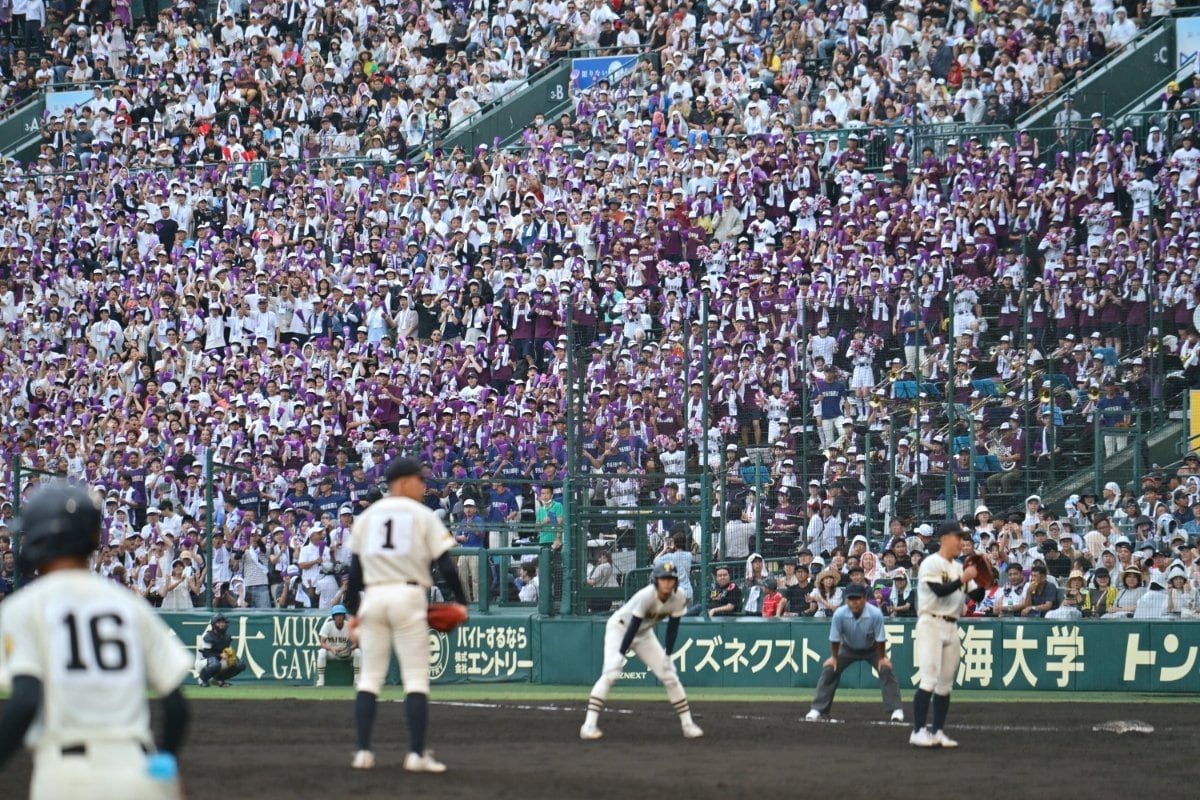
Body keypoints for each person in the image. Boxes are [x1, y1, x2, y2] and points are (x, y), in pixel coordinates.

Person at [0, 482, 191, 799]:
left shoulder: (24, 607)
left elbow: (26, 702)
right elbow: (176, 705)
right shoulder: (128, 604)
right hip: (139, 771)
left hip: (68, 775)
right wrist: (166, 764)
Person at [345, 457, 468, 772]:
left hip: (373, 597)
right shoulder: (422, 514)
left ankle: (363, 753)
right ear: (402, 482)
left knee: (369, 678)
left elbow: (354, 574)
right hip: (408, 596)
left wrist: (353, 612)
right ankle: (415, 755)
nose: (423, 485)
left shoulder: (367, 517)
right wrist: (461, 601)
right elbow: (445, 566)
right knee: (415, 679)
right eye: (419, 479)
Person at [580, 562, 702, 740]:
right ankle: (588, 725)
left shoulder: (679, 596)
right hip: (620, 628)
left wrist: (668, 655)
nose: (667, 583)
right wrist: (620, 654)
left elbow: (673, 627)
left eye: (671, 579)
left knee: (670, 676)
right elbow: (632, 626)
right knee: (610, 674)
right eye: (663, 579)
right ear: (656, 581)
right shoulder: (647, 595)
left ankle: (688, 725)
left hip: (644, 633)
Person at [909, 520, 984, 748]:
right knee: (929, 679)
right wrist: (964, 578)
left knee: (945, 684)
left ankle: (938, 732)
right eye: (958, 537)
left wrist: (981, 576)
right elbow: (939, 591)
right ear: (944, 539)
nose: (962, 542)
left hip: (952, 625)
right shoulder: (931, 562)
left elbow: (978, 596)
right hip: (931, 622)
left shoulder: (959, 567)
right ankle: (918, 731)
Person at [804, 582, 904, 723]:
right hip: (848, 647)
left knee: (885, 669)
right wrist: (834, 658)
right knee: (830, 669)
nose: (854, 602)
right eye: (851, 599)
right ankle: (817, 709)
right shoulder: (839, 614)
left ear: (865, 598)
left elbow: (880, 639)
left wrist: (882, 658)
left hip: (872, 648)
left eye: (857, 598)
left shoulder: (875, 614)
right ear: (846, 600)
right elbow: (835, 639)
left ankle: (896, 709)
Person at [316, 604, 362, 688]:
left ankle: (357, 681)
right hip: (333, 652)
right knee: (322, 652)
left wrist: (349, 648)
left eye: (341, 615)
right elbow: (322, 643)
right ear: (333, 617)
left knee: (358, 652)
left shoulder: (349, 625)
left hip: (346, 652)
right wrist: (331, 648)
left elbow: (356, 643)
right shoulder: (328, 625)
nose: (339, 617)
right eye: (337, 615)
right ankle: (320, 680)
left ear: (344, 616)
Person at [198, 613, 247, 687]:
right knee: (214, 663)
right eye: (218, 622)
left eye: (223, 622)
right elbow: (206, 654)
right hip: (203, 661)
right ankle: (202, 679)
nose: (221, 624)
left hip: (218, 660)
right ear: (213, 624)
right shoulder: (208, 636)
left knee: (240, 664)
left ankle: (217, 679)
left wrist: (229, 654)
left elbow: (224, 650)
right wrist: (220, 655)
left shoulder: (227, 636)